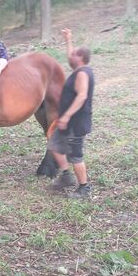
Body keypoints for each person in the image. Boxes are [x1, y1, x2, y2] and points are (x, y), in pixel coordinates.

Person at [48, 28, 94, 198]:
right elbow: (70, 58)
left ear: (81, 57)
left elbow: (81, 96)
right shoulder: (78, 70)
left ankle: (84, 188)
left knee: (76, 156)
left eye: (74, 54)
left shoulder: (83, 74)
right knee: (54, 145)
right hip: (66, 122)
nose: (70, 56)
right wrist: (68, 39)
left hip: (76, 122)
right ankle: (66, 176)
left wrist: (67, 116)